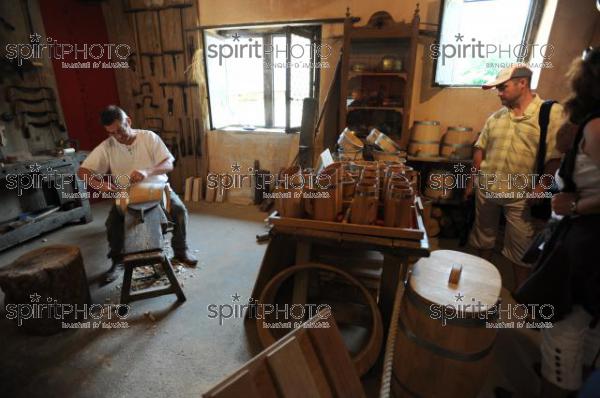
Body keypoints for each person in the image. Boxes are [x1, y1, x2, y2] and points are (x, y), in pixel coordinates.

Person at [515, 47, 600, 397]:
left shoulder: (597, 126)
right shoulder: (588, 123)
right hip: (582, 238)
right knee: (585, 330)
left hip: (588, 245)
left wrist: (577, 205)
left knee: (562, 334)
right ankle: (571, 383)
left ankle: (557, 383)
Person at [464, 65, 564, 290]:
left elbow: (555, 156)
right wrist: (473, 181)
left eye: (503, 87)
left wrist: (542, 188)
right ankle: (481, 282)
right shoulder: (496, 117)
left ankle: (522, 297)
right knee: (483, 237)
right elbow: (480, 147)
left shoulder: (549, 113)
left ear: (522, 83)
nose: (498, 93)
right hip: (488, 188)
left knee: (521, 247)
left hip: (522, 195)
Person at [78, 105, 197, 282]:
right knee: (113, 223)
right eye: (111, 133)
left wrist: (147, 171)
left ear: (128, 121)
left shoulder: (148, 137)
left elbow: (168, 163)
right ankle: (118, 261)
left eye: (120, 130)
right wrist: (99, 184)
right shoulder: (107, 146)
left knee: (179, 211)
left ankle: (180, 251)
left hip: (157, 188)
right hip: (127, 194)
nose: (118, 136)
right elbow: (83, 172)